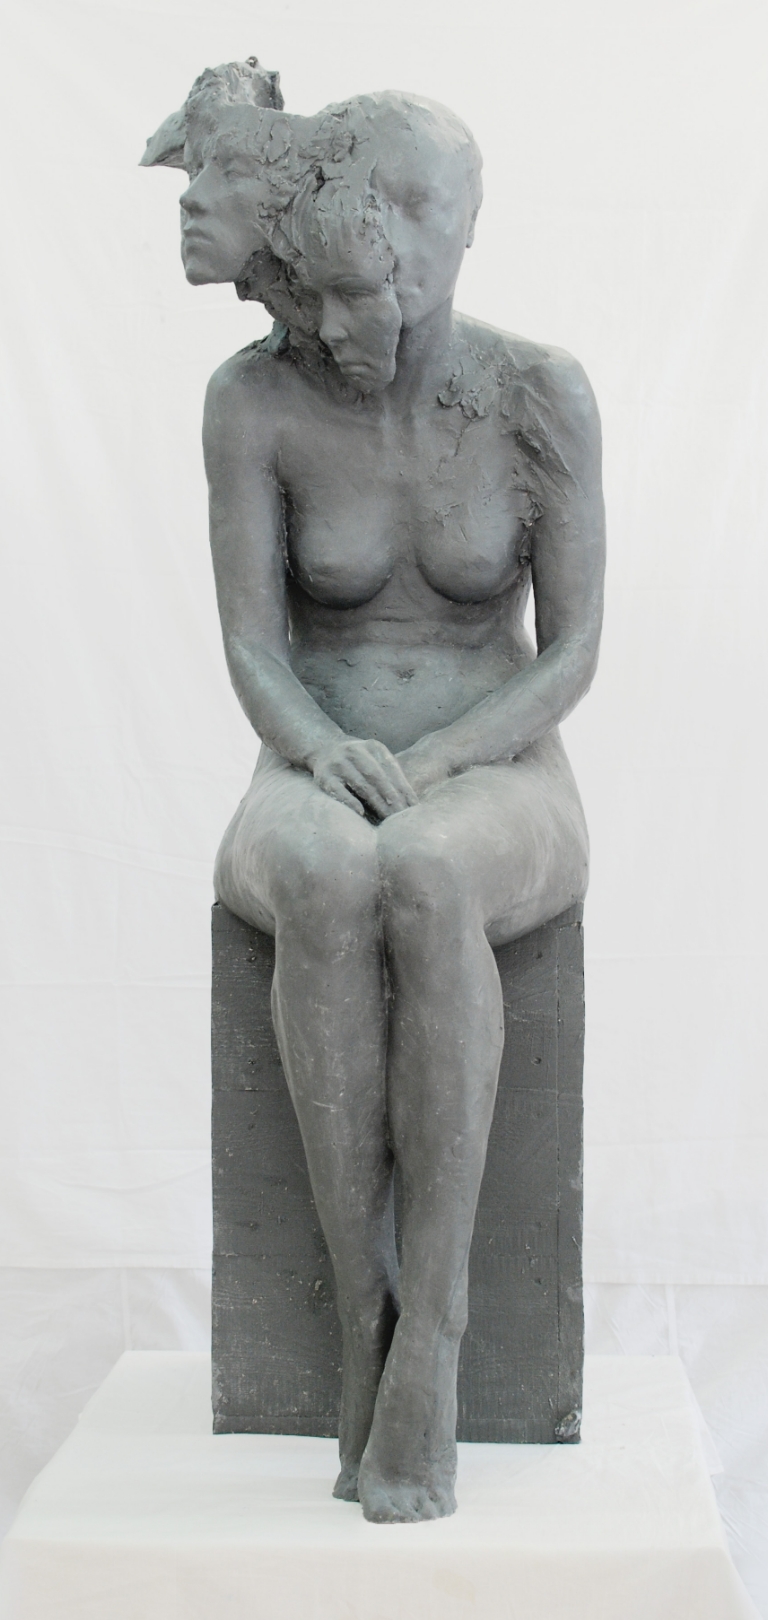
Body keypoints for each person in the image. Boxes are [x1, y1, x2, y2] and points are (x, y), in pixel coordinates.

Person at [143, 70, 605, 1523]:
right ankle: (365, 1320)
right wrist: (314, 745)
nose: (394, 253)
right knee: (331, 874)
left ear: (456, 233)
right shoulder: (253, 402)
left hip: (499, 765)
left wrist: (452, 758)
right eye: (374, 211)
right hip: (313, 754)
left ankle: (441, 1331)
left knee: (430, 870)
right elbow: (252, 646)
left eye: (421, 218)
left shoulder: (536, 395)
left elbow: (575, 651)